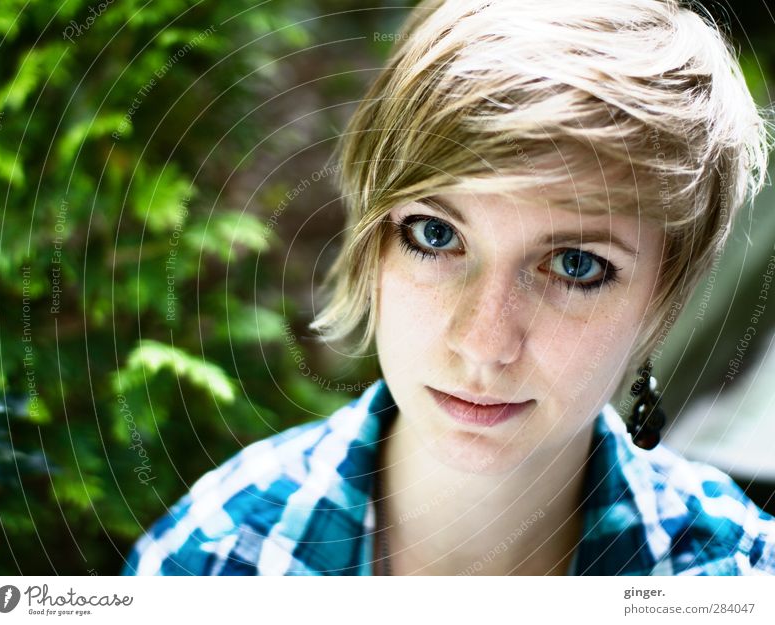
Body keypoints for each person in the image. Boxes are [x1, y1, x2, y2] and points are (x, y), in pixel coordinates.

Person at [122, 0, 775, 575]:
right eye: (435, 235)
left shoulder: (735, 579)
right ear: (372, 239)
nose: (484, 344)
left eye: (577, 264)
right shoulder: (214, 561)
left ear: (664, 294)